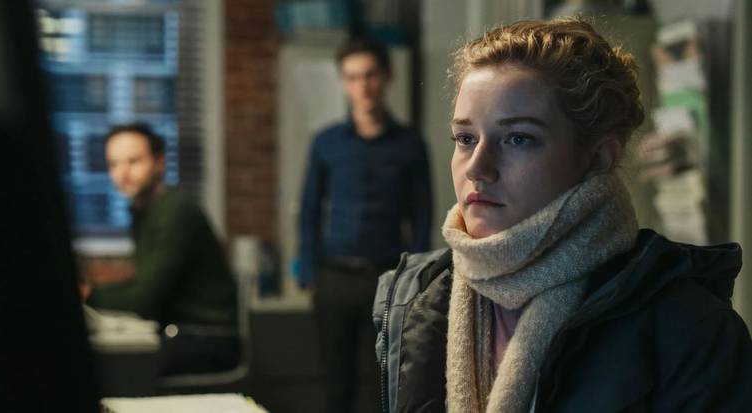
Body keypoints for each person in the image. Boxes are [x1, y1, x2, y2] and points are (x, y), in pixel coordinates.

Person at [373, 18, 752, 413]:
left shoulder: (690, 328)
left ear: (597, 158)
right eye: (465, 138)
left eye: (518, 138)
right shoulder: (411, 299)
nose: (477, 168)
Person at [298, 38, 433, 413]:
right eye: (353, 77)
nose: (363, 86)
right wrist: (307, 269)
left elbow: (422, 214)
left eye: (370, 75)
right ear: (344, 82)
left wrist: (419, 278)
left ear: (387, 77)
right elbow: (309, 210)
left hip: (388, 277)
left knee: (382, 381)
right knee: (334, 382)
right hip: (334, 275)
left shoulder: (410, 144)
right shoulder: (326, 142)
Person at [87, 123, 239, 374]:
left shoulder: (175, 210)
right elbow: (143, 286)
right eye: (113, 164)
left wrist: (88, 295)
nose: (122, 173)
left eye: (133, 161)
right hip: (181, 333)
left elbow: (144, 296)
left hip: (207, 337)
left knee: (112, 369)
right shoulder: (144, 212)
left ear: (159, 162)